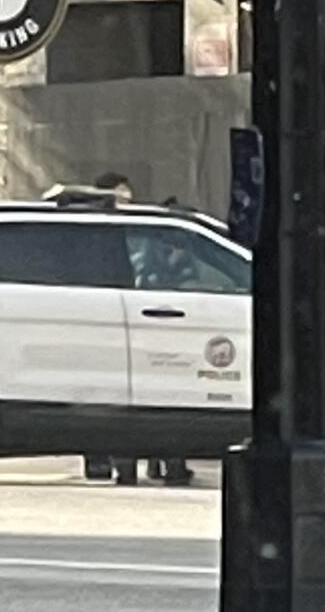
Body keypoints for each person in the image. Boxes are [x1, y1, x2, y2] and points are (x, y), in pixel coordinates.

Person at [90, 172, 195, 489]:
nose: (126, 205)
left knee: (161, 394)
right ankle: (128, 465)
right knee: (126, 397)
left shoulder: (144, 233)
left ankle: (162, 463)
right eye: (119, 199)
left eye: (128, 198)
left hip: (151, 323)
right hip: (122, 325)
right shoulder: (106, 235)